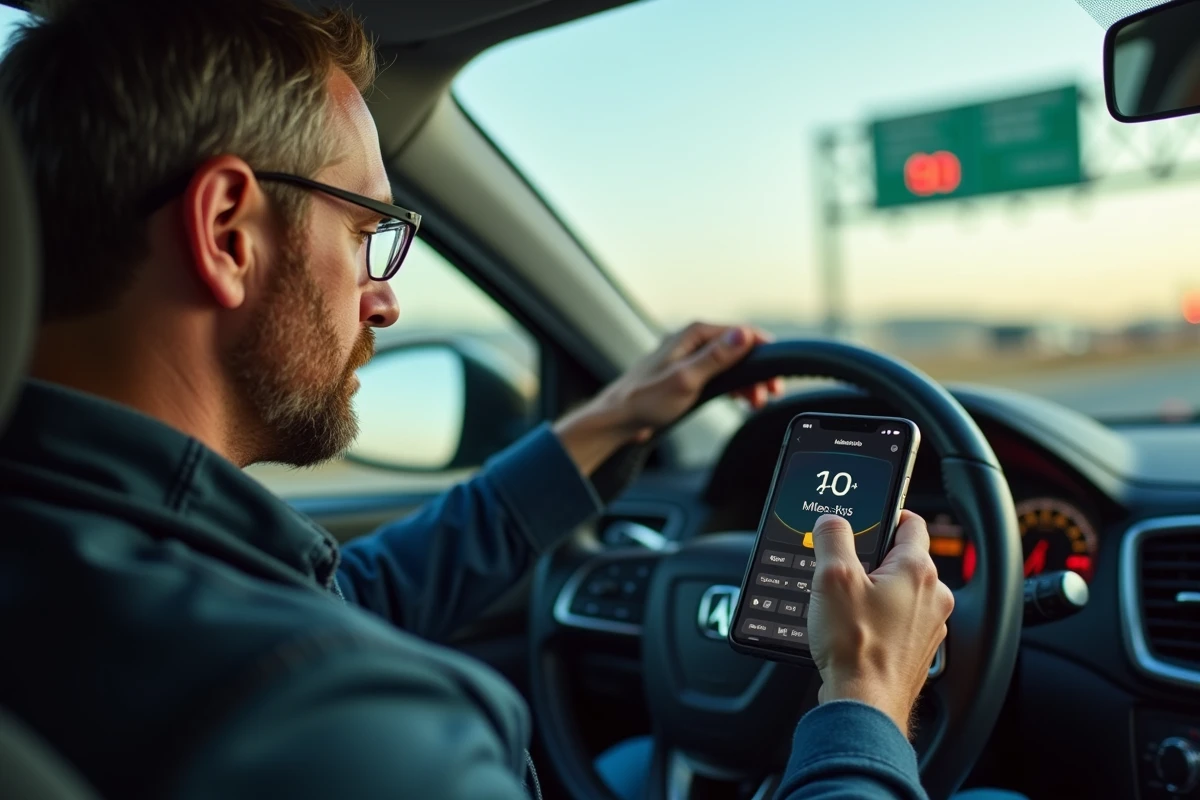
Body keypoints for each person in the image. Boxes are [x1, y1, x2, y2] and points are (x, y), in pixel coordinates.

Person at [0, 1, 1007, 798]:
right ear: (227, 231)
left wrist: (604, 421)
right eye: (367, 236)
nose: (384, 297)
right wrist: (866, 705)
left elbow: (344, 597)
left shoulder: (76, 553)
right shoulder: (343, 727)